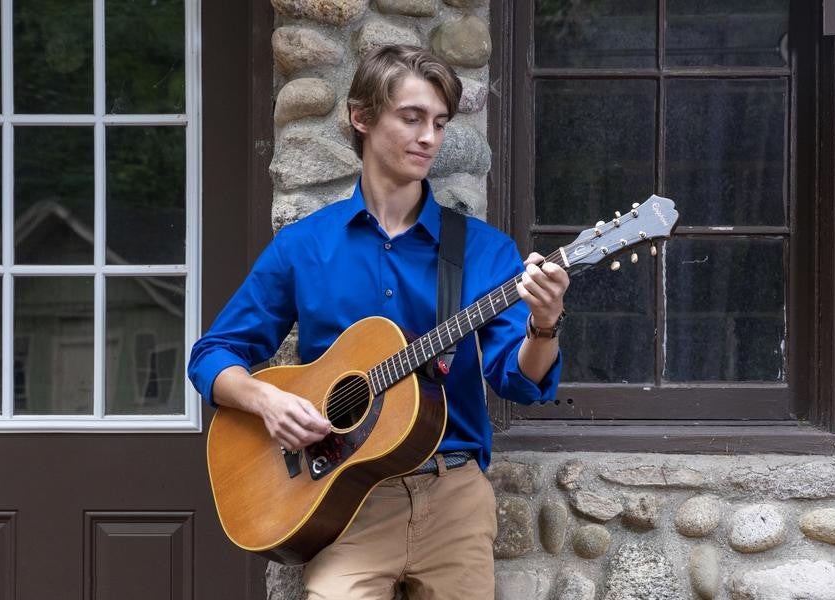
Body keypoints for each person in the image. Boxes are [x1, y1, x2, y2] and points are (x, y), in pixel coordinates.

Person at [188, 44, 570, 599]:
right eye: (411, 118)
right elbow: (212, 355)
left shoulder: (483, 251)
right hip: (345, 501)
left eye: (439, 123)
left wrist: (544, 325)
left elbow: (519, 381)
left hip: (453, 497)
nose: (429, 138)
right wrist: (267, 402)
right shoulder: (304, 246)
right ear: (361, 117)